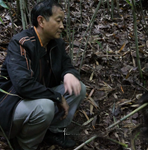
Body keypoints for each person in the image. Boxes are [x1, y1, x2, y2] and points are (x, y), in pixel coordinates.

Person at [0, 0, 86, 149]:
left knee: (78, 88)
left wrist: (69, 74)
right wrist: (57, 97)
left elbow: (67, 66)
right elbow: (23, 85)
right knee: (45, 106)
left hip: (38, 98)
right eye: (58, 21)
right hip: (13, 104)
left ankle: (53, 131)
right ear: (41, 21)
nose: (62, 26)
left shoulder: (56, 43)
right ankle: (25, 145)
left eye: (62, 21)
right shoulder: (21, 43)